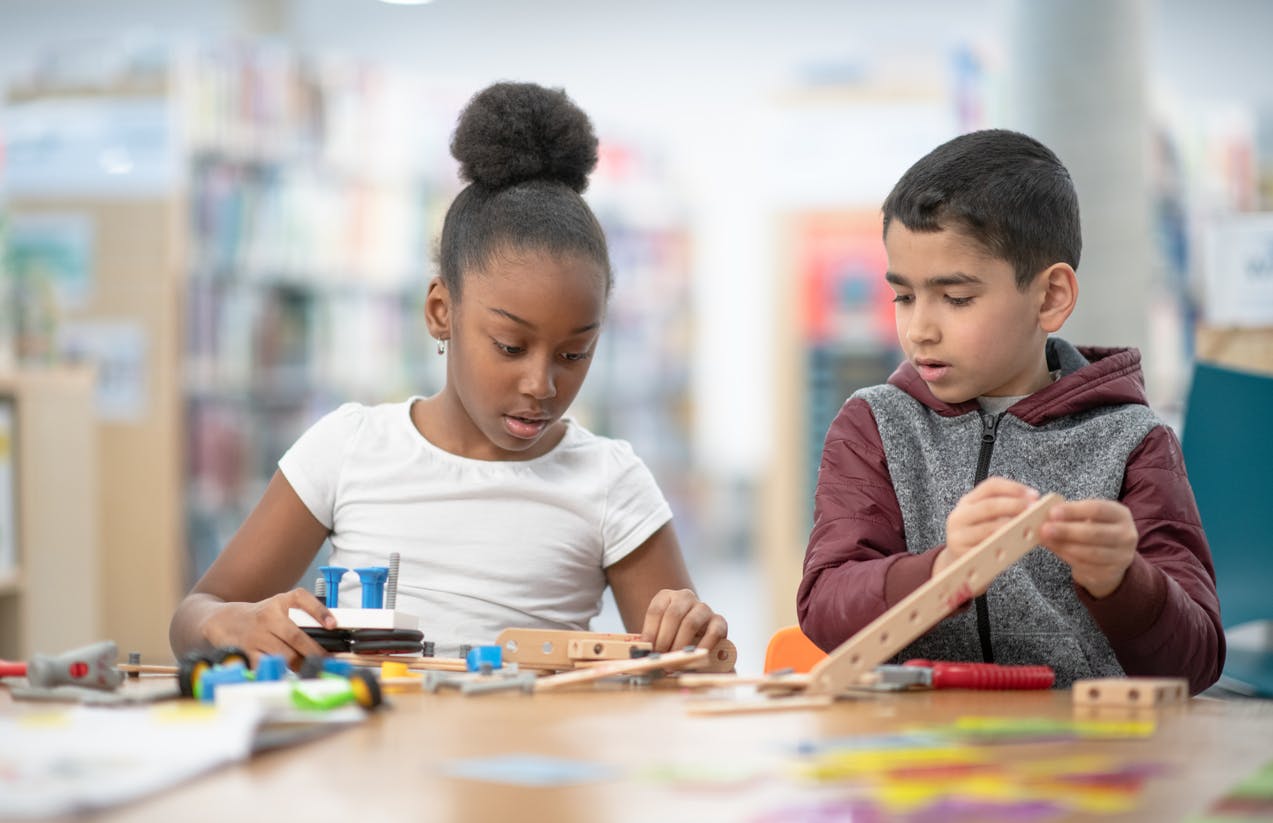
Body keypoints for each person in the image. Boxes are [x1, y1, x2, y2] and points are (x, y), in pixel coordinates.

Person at [171, 82, 727, 665]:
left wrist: (694, 636)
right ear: (442, 311)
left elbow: (687, 669)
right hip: (368, 752)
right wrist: (231, 623)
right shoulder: (349, 449)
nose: (542, 385)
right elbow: (195, 613)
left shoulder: (611, 481)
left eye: (573, 354)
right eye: (511, 346)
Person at [797, 129, 1223, 694]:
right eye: (904, 296)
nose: (920, 328)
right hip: (913, 755)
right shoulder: (873, 425)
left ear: (1050, 298)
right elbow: (825, 606)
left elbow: (1196, 662)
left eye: (956, 298)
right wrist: (945, 571)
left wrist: (1122, 581)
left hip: (1084, 758)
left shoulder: (1134, 440)